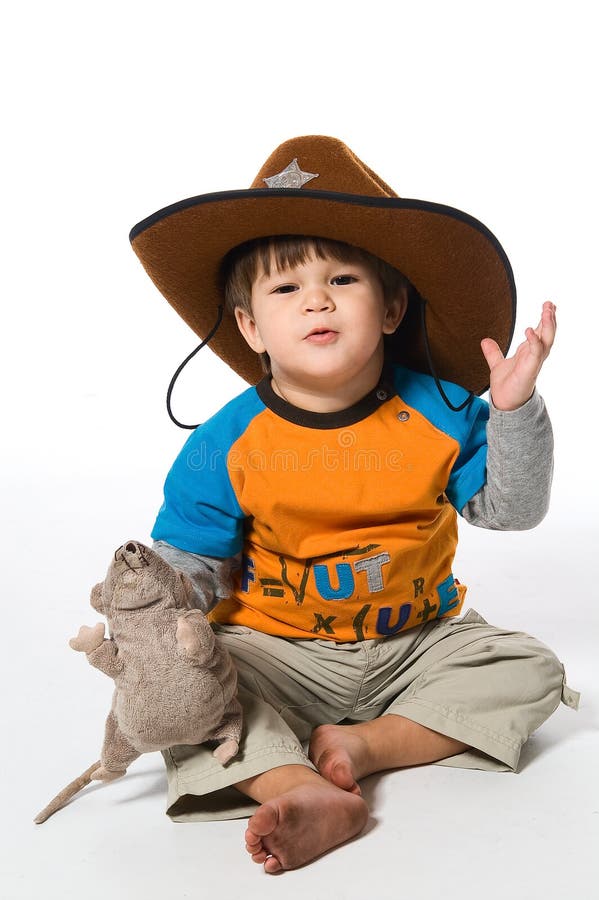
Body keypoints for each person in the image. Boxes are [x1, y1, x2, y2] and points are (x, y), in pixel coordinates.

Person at [129, 135, 579, 873]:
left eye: (342, 278)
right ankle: (298, 787)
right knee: (190, 698)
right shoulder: (225, 442)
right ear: (249, 327)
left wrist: (513, 409)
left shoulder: (440, 408)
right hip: (277, 652)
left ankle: (366, 746)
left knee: (527, 667)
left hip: (414, 646)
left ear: (392, 306)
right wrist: (158, 621)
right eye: (284, 289)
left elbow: (511, 510)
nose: (316, 299)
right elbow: (193, 559)